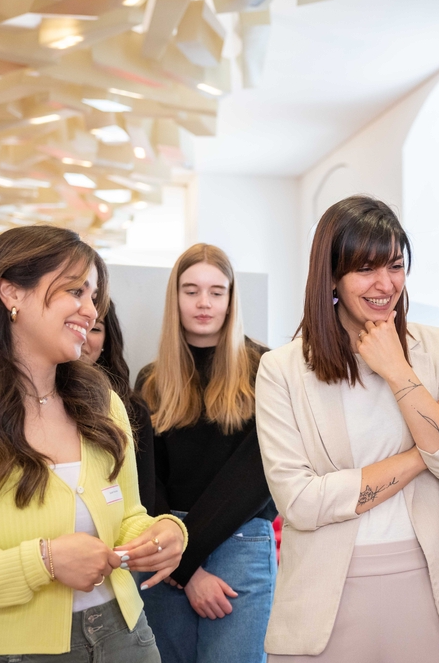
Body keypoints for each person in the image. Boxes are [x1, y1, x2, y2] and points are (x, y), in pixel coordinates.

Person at [256, 195, 439, 662]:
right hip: (325, 600)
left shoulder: (438, 349)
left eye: (396, 266)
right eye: (366, 268)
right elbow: (300, 503)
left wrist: (398, 371)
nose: (386, 284)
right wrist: (424, 449)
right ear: (332, 277)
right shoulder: (281, 370)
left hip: (435, 589)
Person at [0, 225, 186, 662]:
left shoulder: (103, 404)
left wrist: (162, 534)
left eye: (94, 297)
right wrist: (44, 561)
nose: (90, 311)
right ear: (11, 293)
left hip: (126, 637)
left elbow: (128, 516)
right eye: (75, 291)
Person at [136, 244, 276, 663]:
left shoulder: (265, 370)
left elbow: (255, 477)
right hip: (163, 545)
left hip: (240, 541)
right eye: (191, 290)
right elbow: (146, 482)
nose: (204, 303)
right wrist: (187, 570)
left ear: (231, 299)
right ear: (175, 297)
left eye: (217, 292)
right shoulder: (151, 379)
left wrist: (184, 560)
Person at [81, 299, 157, 511]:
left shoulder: (130, 409)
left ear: (107, 339)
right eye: (74, 324)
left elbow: (144, 502)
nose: (82, 337)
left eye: (95, 328)